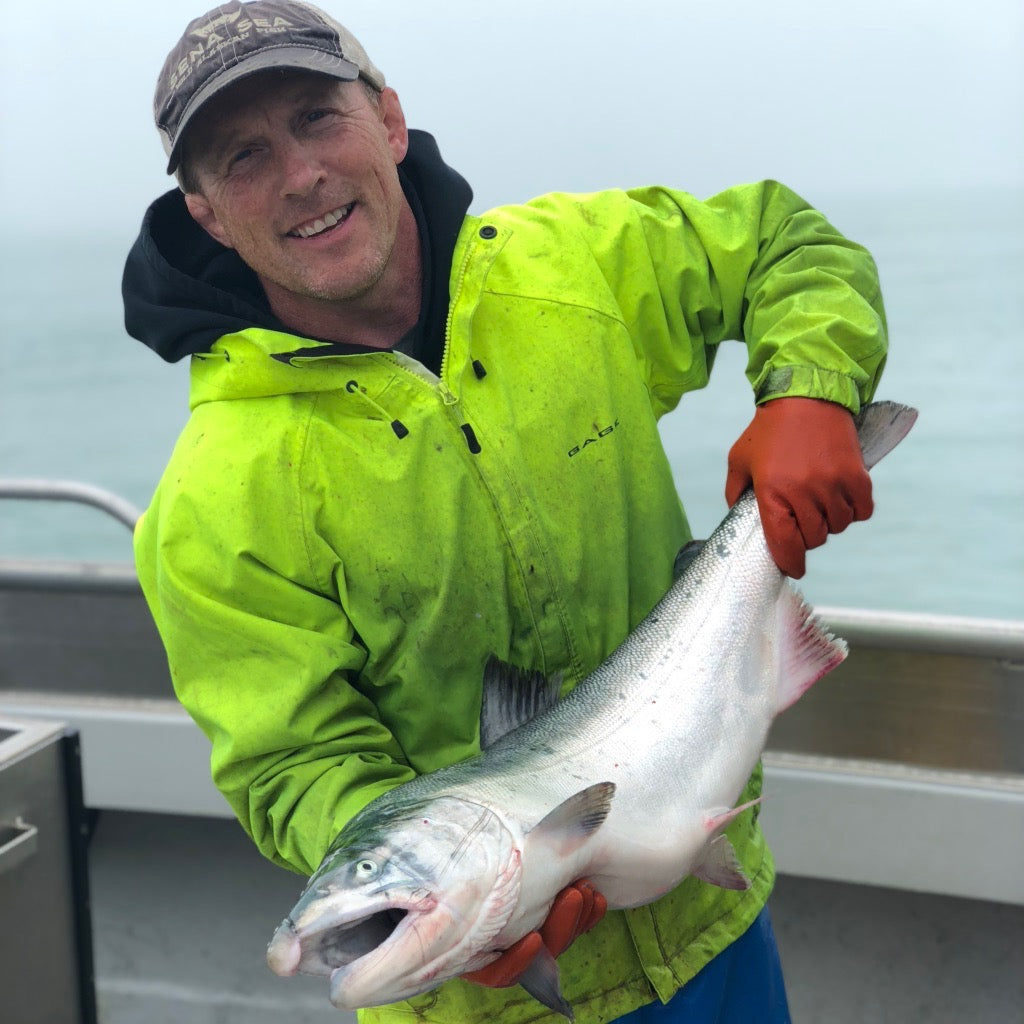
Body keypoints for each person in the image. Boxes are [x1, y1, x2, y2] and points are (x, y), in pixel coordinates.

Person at [124, 3, 887, 1021]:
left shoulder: (572, 268)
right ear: (208, 213)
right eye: (243, 156)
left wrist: (812, 390)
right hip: (475, 1005)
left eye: (317, 117)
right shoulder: (212, 496)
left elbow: (783, 244)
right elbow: (294, 762)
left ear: (389, 121)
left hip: (714, 941)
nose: (299, 174)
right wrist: (460, 902)